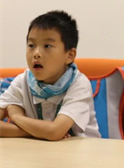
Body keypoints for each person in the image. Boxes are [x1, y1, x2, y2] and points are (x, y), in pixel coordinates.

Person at [0, 11, 100, 139]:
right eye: (31, 45)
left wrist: (16, 116)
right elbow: (51, 133)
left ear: (69, 55)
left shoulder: (79, 84)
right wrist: (34, 132)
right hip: (39, 149)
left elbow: (54, 132)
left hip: (84, 150)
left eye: (47, 46)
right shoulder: (23, 81)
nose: (36, 53)